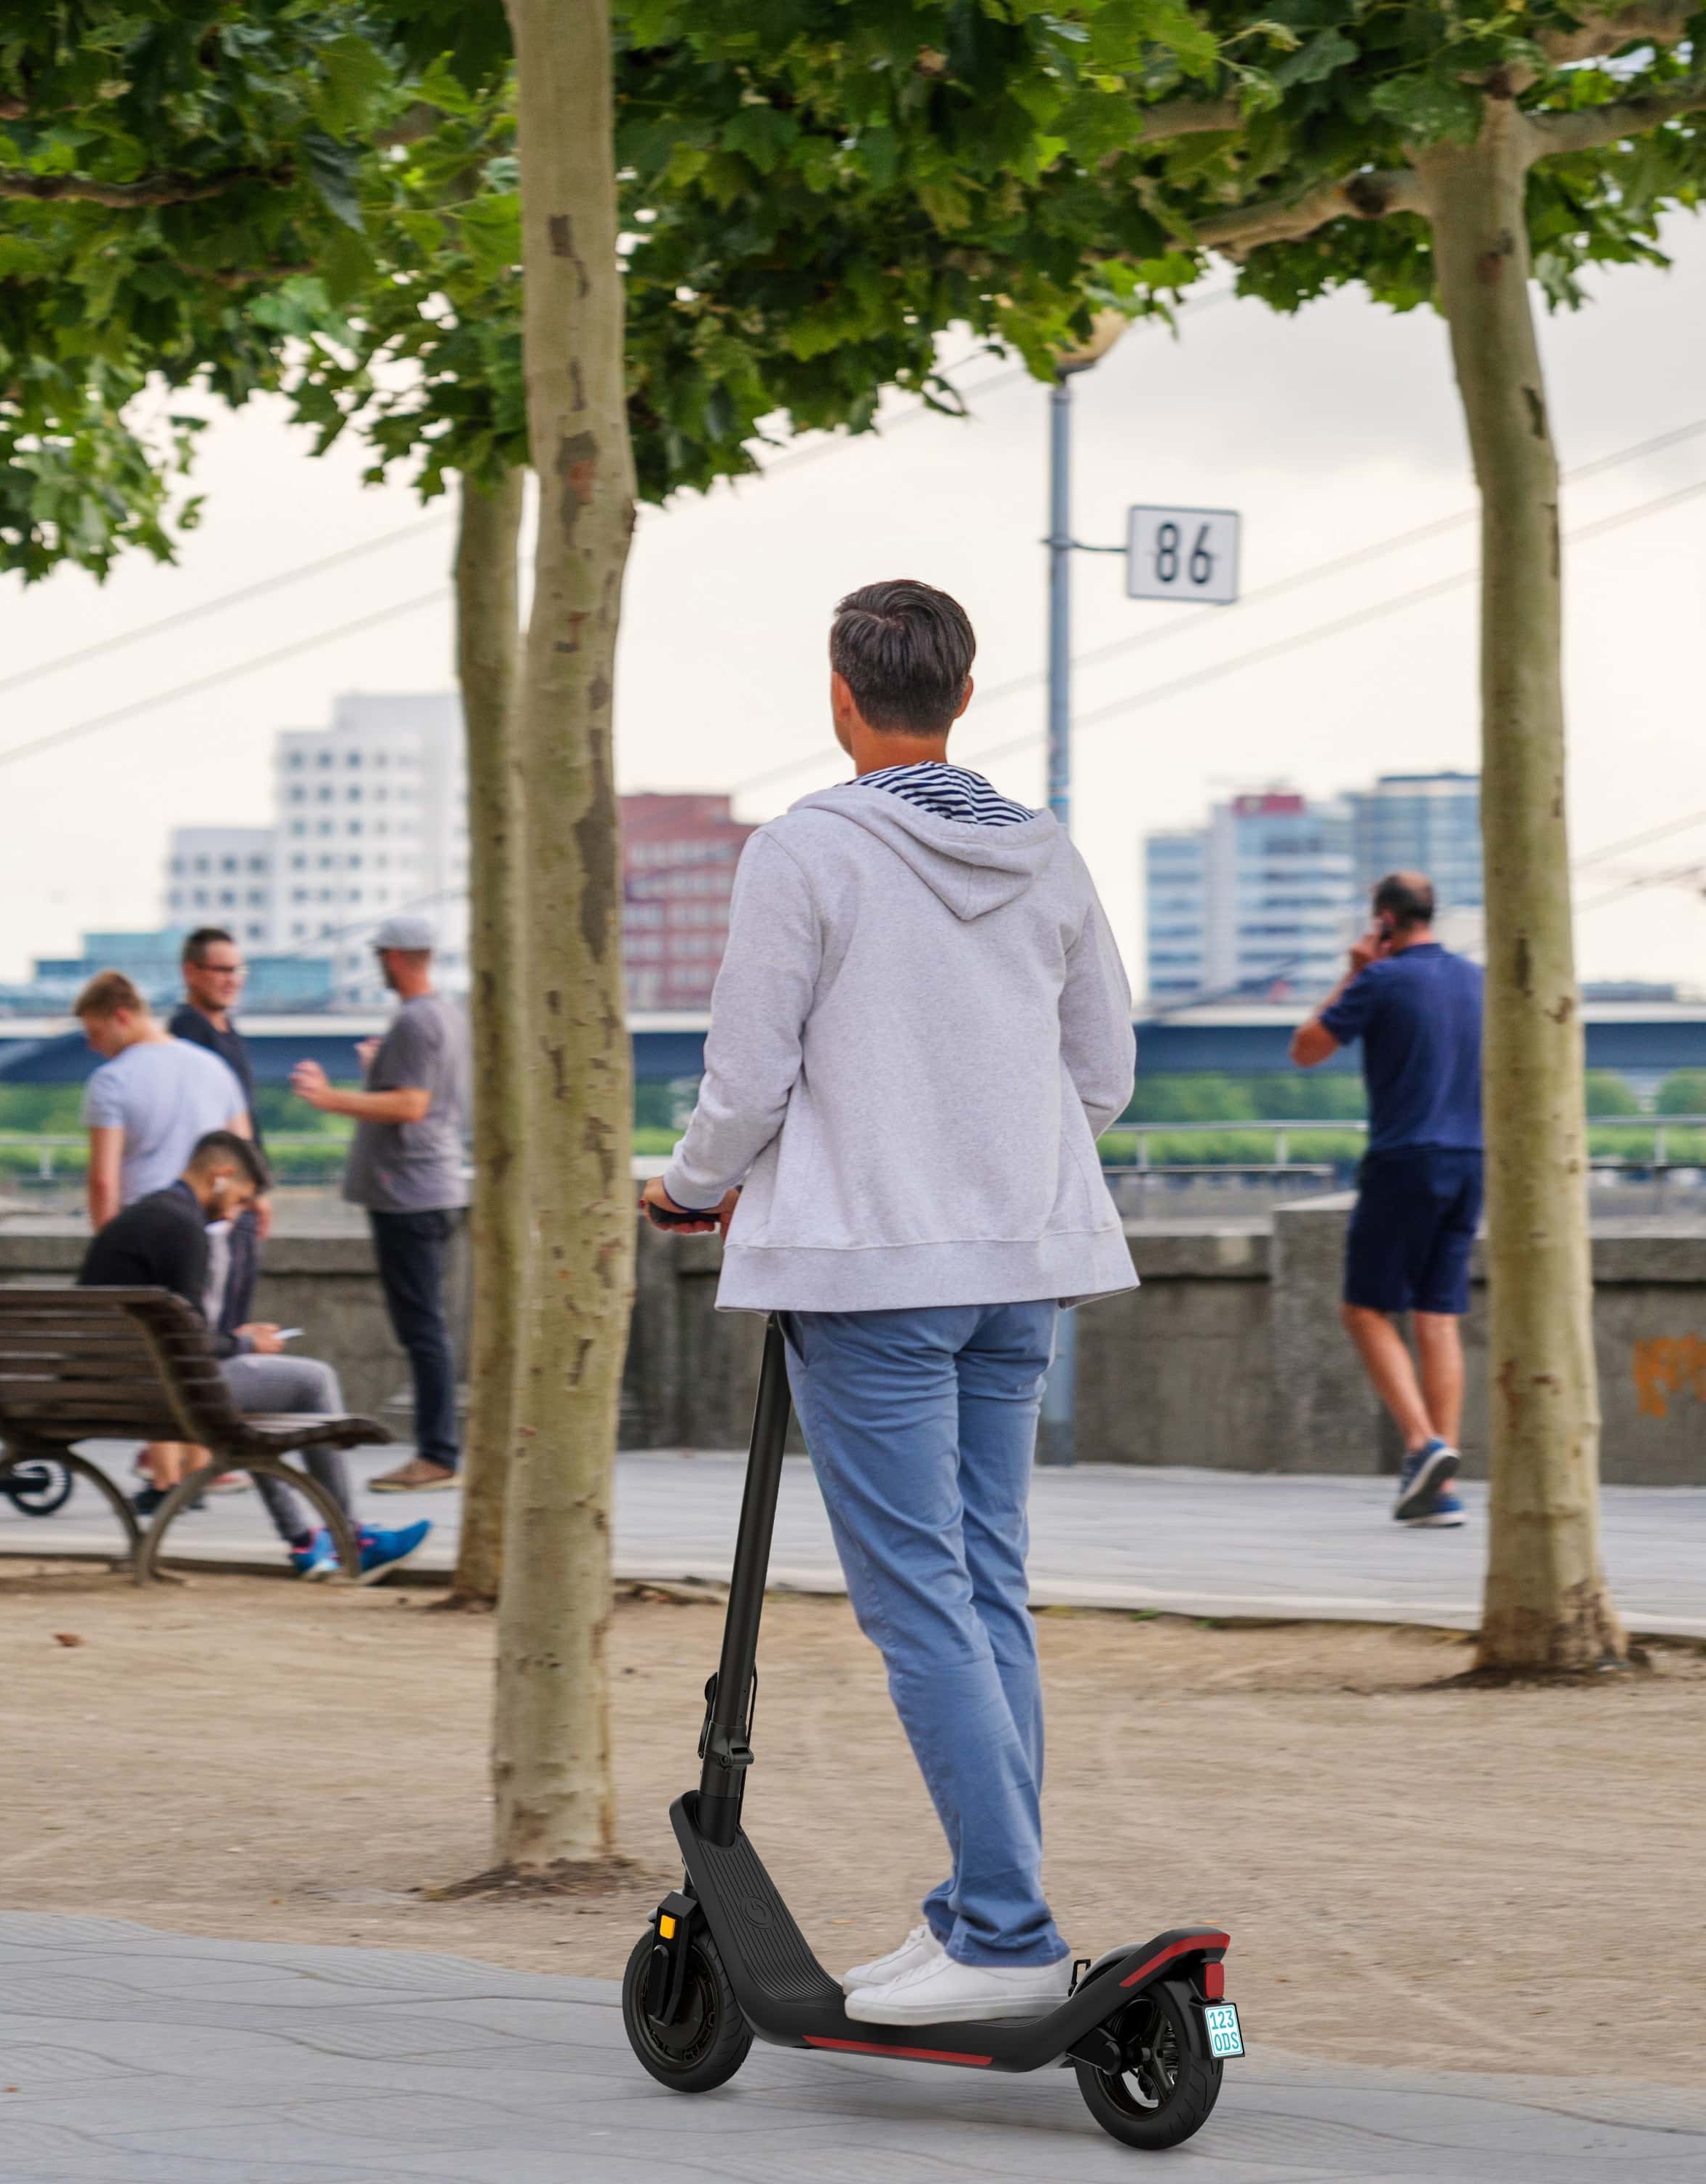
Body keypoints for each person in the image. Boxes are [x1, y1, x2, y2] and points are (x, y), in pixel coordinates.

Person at [641, 579, 1136, 2029]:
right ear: (962, 699)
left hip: (872, 1279)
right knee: (987, 1588)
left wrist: (689, 1185)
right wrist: (995, 1174)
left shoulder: (807, 851)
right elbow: (1096, 1071)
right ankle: (977, 1913)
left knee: (918, 1598)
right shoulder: (1044, 856)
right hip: (1018, 1270)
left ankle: (1002, 1930)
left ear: (840, 696)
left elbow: (746, 1084)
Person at [78, 1131, 427, 1579]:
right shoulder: (184, 1228)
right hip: (155, 1391)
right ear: (219, 1177)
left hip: (109, 1385)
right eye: (242, 1199)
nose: (239, 1211)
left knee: (256, 1386)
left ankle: (304, 1541)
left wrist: (234, 1341)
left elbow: (181, 1333)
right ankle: (350, 1537)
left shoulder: (142, 1216)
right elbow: (188, 1343)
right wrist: (247, 1343)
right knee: (311, 1380)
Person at [1290, 871, 1484, 1528]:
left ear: (1385, 922)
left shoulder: (1381, 978)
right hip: (1470, 1161)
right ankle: (1442, 1487)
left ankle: (1422, 1443)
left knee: (1365, 1310)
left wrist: (1351, 972)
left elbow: (1307, 1049)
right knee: (1437, 1315)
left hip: (1406, 1160)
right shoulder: (1475, 981)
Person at [288, 914, 469, 1494]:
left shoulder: (417, 1020)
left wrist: (326, 1098)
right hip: (425, 1189)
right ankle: (439, 1450)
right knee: (425, 1328)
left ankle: (438, 1454)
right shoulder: (446, 1016)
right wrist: (376, 1073)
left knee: (423, 1331)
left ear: (392, 956)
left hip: (408, 1195)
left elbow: (412, 1106)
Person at [76, 969, 251, 1501]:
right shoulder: (213, 1067)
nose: (92, 1046)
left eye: (94, 1033)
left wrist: (111, 1242)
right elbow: (241, 1151)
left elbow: (105, 1179)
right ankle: (197, 1468)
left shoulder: (113, 1081)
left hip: (144, 1225)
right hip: (208, 1226)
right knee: (190, 1346)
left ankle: (170, 1474)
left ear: (122, 1016)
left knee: (156, 1352)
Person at [167, 927, 269, 1350]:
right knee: (220, 1326)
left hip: (238, 1194)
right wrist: (240, 1194)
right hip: (220, 1198)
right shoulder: (189, 1032)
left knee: (235, 1316)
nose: (232, 979)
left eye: (238, 970)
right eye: (221, 970)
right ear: (191, 972)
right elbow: (207, 1129)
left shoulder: (226, 1029)